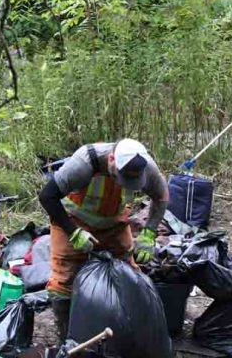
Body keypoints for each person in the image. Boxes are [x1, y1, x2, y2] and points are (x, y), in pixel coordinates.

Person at [38, 138, 169, 341]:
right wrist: (73, 232)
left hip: (114, 224)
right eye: (121, 177)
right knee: (63, 283)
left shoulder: (147, 167)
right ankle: (67, 340)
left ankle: (128, 332)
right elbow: (47, 196)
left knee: (130, 275)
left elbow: (161, 196)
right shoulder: (83, 163)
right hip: (74, 222)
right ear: (111, 160)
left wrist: (150, 233)